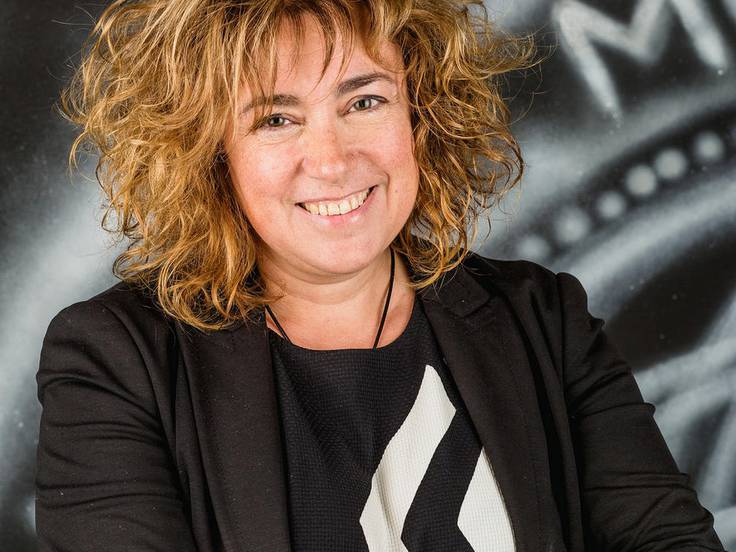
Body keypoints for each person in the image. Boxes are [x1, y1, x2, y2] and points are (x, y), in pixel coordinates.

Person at [36, 0, 725, 551]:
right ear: (212, 154)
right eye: (276, 119)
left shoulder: (542, 318)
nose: (332, 160)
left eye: (364, 102)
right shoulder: (117, 360)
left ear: (422, 114)